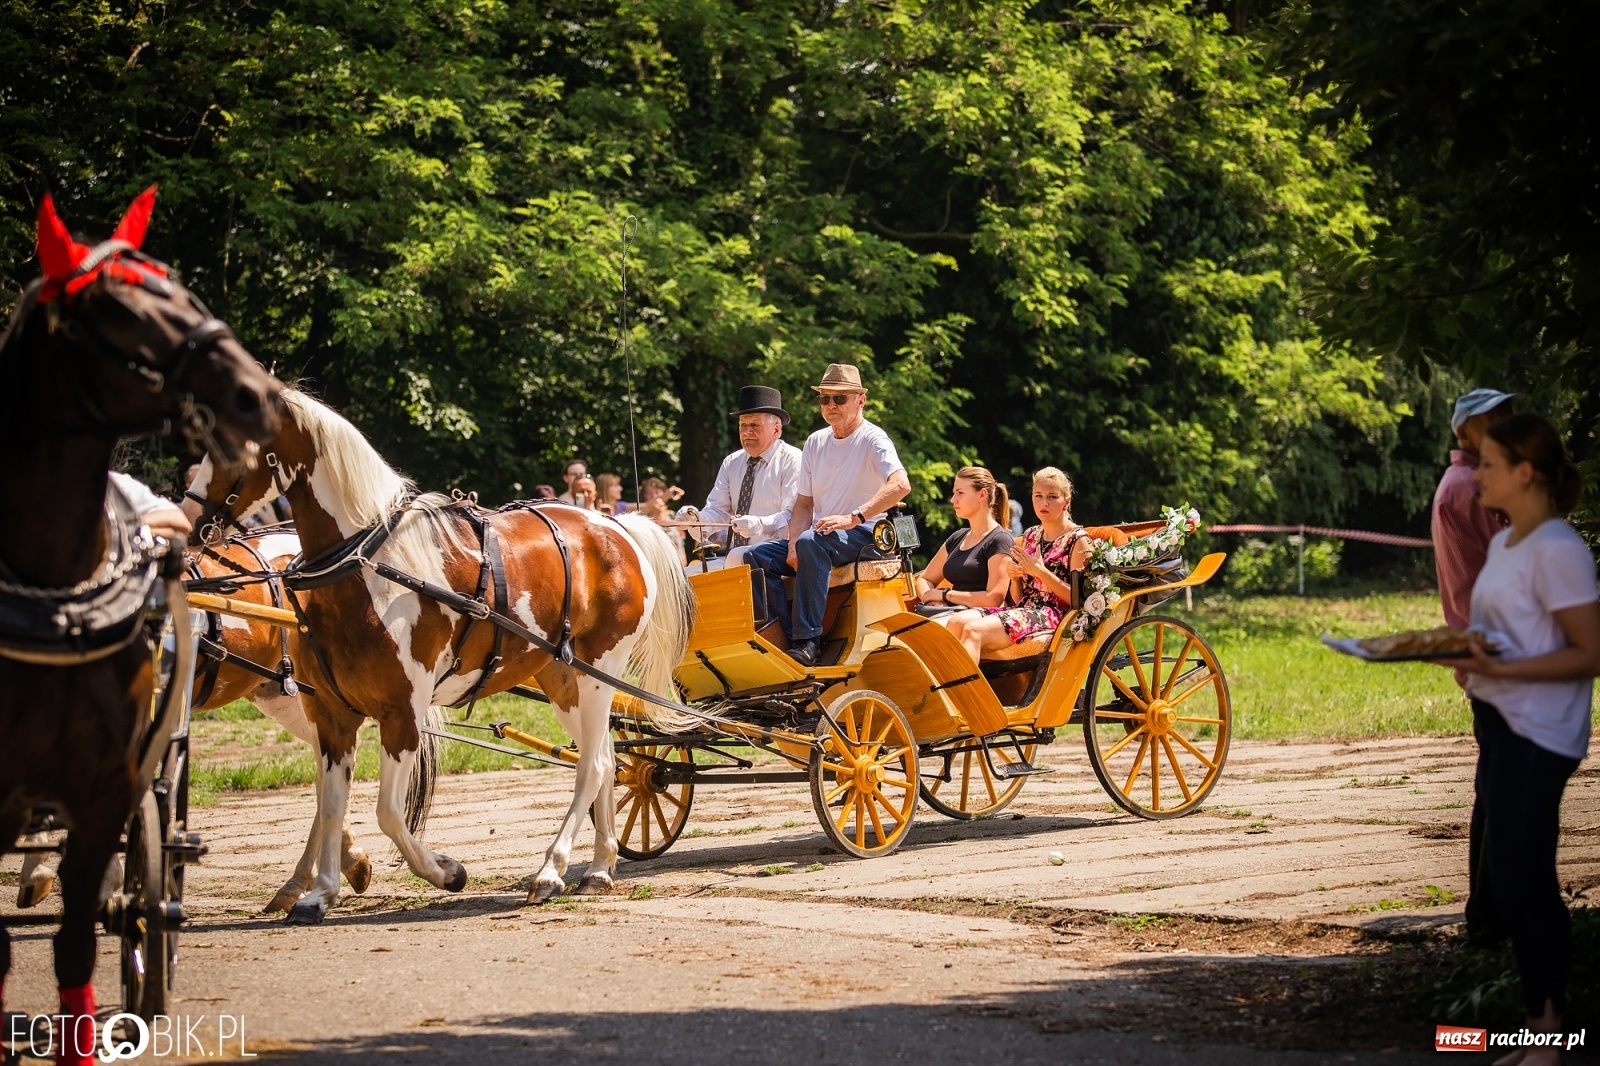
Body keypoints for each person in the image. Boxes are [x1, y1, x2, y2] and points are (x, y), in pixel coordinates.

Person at [1430, 414, 1597, 1066]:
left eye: (1491, 464)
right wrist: (1457, 650)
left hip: (1541, 731)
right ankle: (1537, 1028)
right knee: (1507, 874)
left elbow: (1588, 653)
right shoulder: (1504, 547)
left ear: (1525, 473)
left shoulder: (1558, 549)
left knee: (1527, 880)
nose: (1478, 476)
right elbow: (1504, 631)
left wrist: (1503, 668)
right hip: (1499, 719)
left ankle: (1550, 1037)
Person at [744, 364, 910, 667]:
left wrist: (854, 517)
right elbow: (804, 505)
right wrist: (792, 544)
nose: (831, 405)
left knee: (812, 542)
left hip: (866, 535)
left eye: (840, 398)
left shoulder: (874, 439)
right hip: (821, 536)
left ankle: (807, 642)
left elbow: (901, 485)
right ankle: (780, 638)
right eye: (825, 399)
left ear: (860, 400)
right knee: (755, 557)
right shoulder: (815, 442)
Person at [945, 467, 1089, 666]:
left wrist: (1040, 572)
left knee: (973, 630)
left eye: (1052, 497)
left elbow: (1080, 600)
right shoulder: (1031, 535)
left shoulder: (1078, 540)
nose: (1044, 503)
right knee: (955, 622)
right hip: (1024, 608)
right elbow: (1017, 598)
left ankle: (960, 694)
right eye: (1038, 496)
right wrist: (1015, 577)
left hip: (1053, 615)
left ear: (1066, 501)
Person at [677, 385, 802, 572]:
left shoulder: (792, 460)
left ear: (776, 430)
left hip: (775, 553)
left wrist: (758, 524)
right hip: (733, 555)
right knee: (684, 578)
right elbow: (718, 511)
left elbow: (791, 516)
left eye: (755, 425)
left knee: (737, 559)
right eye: (743, 425)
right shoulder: (732, 462)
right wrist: (695, 519)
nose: (747, 432)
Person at [1435, 389, 1517, 664]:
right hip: (1501, 652)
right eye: (1495, 425)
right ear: (1464, 435)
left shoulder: (1465, 481)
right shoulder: (1472, 487)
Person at [911, 467, 1015, 620]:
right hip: (949, 613)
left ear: (982, 495)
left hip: (979, 618)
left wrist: (946, 595)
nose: (953, 499)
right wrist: (934, 601)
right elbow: (925, 579)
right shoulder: (957, 537)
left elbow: (994, 598)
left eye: (960, 493)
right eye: (954, 493)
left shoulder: (1000, 539)